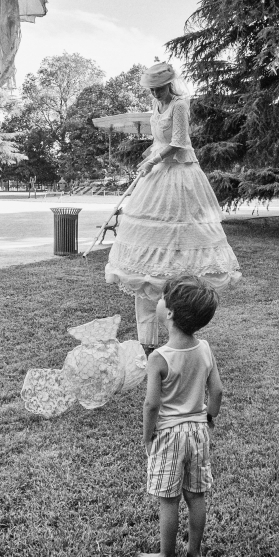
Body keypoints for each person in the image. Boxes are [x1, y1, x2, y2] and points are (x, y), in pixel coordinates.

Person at [105, 62, 240, 355]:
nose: (154, 93)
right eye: (151, 89)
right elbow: (159, 141)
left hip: (180, 176)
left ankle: (178, 338)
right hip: (158, 176)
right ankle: (146, 342)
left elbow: (179, 142)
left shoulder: (180, 105)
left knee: (178, 243)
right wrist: (148, 158)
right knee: (145, 256)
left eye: (158, 88)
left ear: (169, 84)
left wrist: (155, 160)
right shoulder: (156, 107)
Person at [138, 275, 223, 557]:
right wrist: (209, 416)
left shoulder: (159, 357)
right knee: (196, 495)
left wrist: (147, 437)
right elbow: (217, 391)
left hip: (169, 435)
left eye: (163, 298)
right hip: (198, 432)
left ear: (170, 313)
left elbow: (151, 405)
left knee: (169, 499)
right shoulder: (205, 348)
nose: (159, 302)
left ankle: (166, 556)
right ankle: (195, 554)